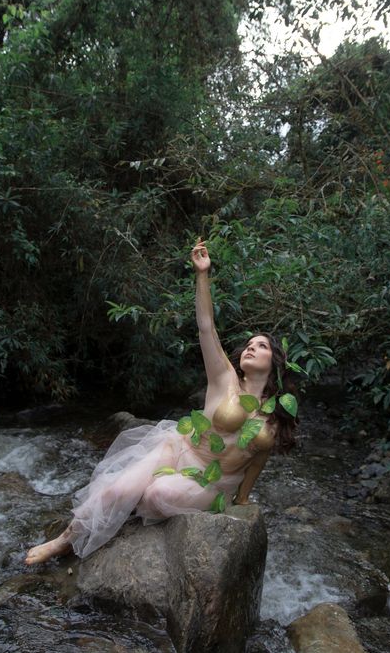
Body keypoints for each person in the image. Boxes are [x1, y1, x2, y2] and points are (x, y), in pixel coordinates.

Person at [25, 238, 297, 565]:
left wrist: (243, 498)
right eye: (249, 344)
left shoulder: (276, 412)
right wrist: (202, 275)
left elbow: (258, 459)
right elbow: (206, 327)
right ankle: (64, 540)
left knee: (158, 495)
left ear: (276, 361)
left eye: (262, 346)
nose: (251, 347)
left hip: (212, 479)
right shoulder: (224, 378)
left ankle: (137, 498)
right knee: (115, 491)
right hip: (179, 449)